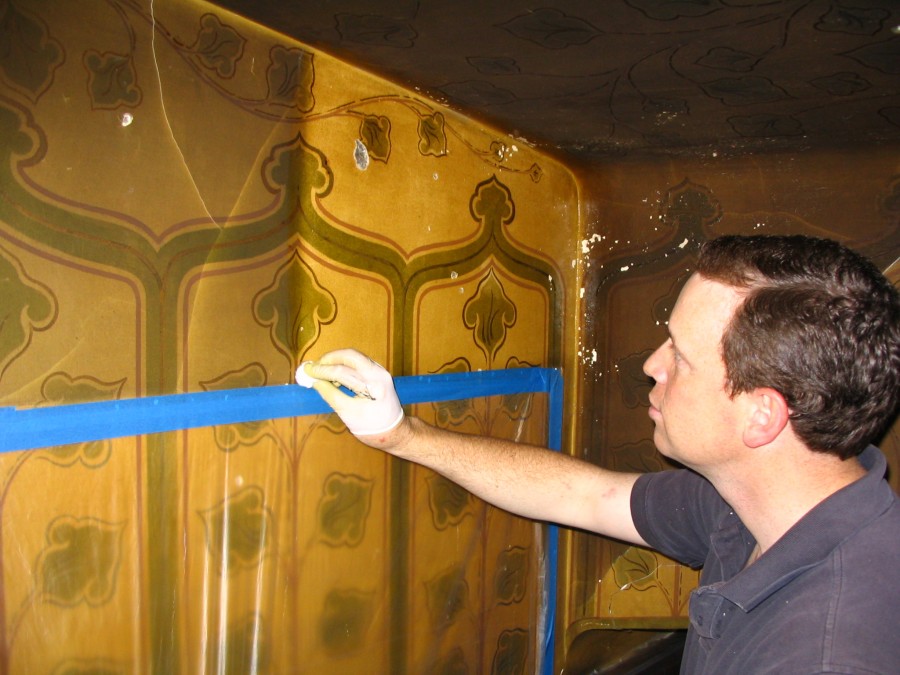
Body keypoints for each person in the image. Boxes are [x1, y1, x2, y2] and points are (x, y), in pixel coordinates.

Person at [300, 235, 900, 674]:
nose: (652, 365)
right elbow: (591, 495)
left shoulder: (825, 654)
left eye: (681, 356)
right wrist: (403, 434)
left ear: (761, 416)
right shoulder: (760, 503)